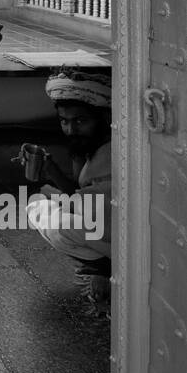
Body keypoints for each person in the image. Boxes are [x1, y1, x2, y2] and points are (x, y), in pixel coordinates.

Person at [23, 68, 112, 311]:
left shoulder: (112, 152)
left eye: (80, 121)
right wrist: (51, 169)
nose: (71, 130)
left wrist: (53, 188)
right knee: (41, 201)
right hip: (99, 222)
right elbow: (80, 191)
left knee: (57, 224)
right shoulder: (88, 145)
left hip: (118, 233)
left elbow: (87, 206)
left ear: (103, 119)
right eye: (65, 121)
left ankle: (107, 268)